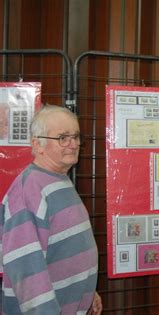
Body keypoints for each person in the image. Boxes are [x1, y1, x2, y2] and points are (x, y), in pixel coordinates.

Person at [0, 105, 102, 314]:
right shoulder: (29, 189)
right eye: (63, 138)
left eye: (75, 136)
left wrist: (88, 290)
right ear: (38, 144)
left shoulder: (57, 179)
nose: (73, 144)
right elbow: (25, 267)